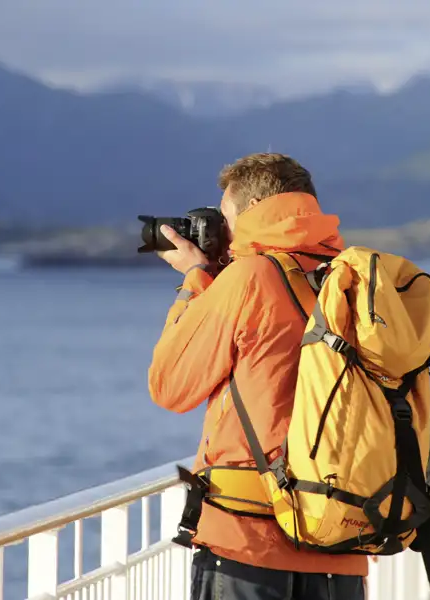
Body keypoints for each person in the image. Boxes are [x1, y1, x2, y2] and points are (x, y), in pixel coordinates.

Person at [147, 153, 366, 600]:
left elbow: (170, 386)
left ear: (250, 211)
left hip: (249, 537)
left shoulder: (248, 277)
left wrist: (196, 278)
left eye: (225, 218)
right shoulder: (351, 278)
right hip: (342, 534)